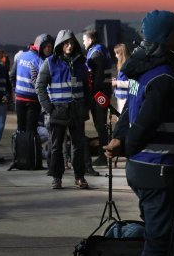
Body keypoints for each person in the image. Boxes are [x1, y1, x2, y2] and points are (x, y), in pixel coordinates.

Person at [104, 10, 174, 256]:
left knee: (158, 235)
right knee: (159, 241)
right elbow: (145, 122)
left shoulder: (145, 70)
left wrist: (119, 139)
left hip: (147, 168)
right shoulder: (164, 76)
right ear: (165, 37)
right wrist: (127, 145)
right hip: (158, 167)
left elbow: (130, 110)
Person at [36, 29, 90, 189]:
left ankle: (79, 176)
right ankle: (56, 177)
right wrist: (49, 108)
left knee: (78, 145)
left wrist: (85, 106)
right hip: (58, 110)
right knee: (56, 145)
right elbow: (40, 86)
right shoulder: (50, 62)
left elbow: (86, 86)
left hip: (76, 110)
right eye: (66, 43)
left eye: (72, 43)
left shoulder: (81, 62)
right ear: (60, 45)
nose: (70, 46)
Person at [11, 34, 53, 133]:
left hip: (19, 99)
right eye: (47, 47)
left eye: (50, 47)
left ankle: (20, 147)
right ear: (41, 46)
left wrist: (15, 90)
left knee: (20, 129)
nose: (49, 49)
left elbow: (12, 76)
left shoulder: (20, 56)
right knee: (31, 130)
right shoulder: (40, 61)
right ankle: (30, 148)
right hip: (33, 100)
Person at [83, 29, 111, 167]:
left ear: (91, 40)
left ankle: (102, 156)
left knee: (100, 126)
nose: (83, 42)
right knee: (101, 126)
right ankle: (103, 154)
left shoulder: (96, 54)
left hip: (99, 94)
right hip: (103, 92)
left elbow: (97, 77)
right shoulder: (101, 50)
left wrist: (91, 93)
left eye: (84, 39)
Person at [112, 42, 131, 114]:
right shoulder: (122, 65)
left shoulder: (128, 67)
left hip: (126, 98)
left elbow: (131, 83)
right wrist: (116, 80)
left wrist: (116, 83)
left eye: (117, 53)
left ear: (122, 54)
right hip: (120, 98)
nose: (115, 56)